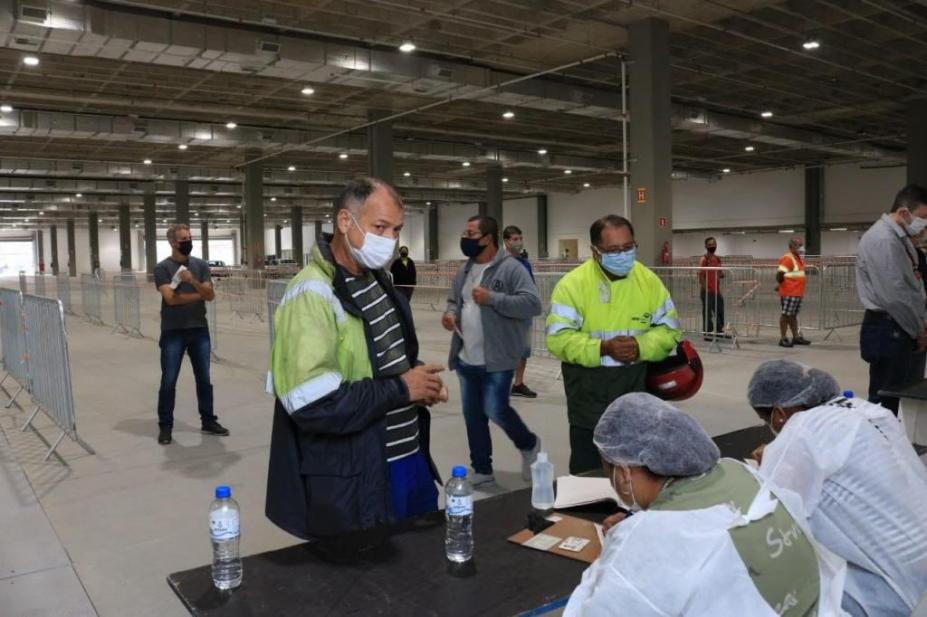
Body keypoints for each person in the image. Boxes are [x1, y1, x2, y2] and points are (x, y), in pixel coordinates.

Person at [265, 178, 447, 540]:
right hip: (359, 474)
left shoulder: (379, 280)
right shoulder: (312, 293)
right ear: (345, 222)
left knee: (423, 573)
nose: (390, 239)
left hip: (409, 457)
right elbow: (313, 403)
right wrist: (401, 389)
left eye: (396, 229)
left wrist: (419, 382)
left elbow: (380, 358)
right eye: (380, 227)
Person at [565, 392, 847, 617]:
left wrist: (617, 549)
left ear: (625, 474)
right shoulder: (739, 471)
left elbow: (599, 607)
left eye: (609, 470)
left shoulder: (647, 539)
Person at [747, 359, 927, 616]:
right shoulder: (866, 409)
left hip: (897, 591)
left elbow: (771, 507)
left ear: (779, 414)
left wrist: (774, 459)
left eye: (765, 419)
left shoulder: (803, 429)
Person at [545, 215, 682, 474]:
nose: (623, 254)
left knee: (639, 467)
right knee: (590, 471)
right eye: (613, 250)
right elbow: (557, 338)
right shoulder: (572, 286)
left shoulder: (648, 281)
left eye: (628, 247)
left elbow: (669, 330)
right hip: (589, 391)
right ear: (595, 251)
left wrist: (641, 345)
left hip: (638, 387)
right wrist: (603, 348)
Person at [442, 215, 542, 488]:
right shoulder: (465, 270)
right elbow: (454, 301)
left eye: (471, 233)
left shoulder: (511, 269)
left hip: (496, 359)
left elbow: (532, 304)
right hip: (466, 357)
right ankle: (482, 468)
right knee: (473, 416)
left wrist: (493, 299)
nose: (466, 238)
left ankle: (529, 444)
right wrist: (451, 315)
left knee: (495, 408)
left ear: (488, 238)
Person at [153, 224, 228, 445]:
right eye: (184, 238)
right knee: (168, 381)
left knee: (204, 379)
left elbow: (211, 295)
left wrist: (192, 281)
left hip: (199, 330)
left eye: (189, 237)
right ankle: (165, 426)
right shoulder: (162, 268)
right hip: (173, 331)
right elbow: (170, 299)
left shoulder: (200, 265)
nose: (188, 241)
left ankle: (208, 420)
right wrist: (200, 295)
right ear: (173, 242)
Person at [856, 184, 927, 413]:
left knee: (903, 396)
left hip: (902, 326)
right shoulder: (883, 240)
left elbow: (912, 284)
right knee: (886, 401)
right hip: (889, 328)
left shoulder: (901, 238)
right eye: (923, 217)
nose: (925, 224)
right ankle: (880, 445)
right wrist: (918, 330)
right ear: (904, 212)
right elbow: (895, 296)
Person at [502, 225, 537, 399]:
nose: (518, 242)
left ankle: (518, 383)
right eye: (514, 239)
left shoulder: (524, 263)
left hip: (523, 314)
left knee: (523, 351)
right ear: (506, 241)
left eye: (520, 238)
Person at [777, 236, 811, 348]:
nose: (802, 247)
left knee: (793, 316)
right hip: (789, 292)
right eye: (799, 245)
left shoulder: (798, 258)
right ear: (791, 246)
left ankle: (796, 337)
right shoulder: (788, 258)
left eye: (802, 244)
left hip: (797, 292)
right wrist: (782, 286)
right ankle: (783, 338)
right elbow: (779, 275)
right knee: (786, 315)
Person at [698, 236, 725, 340]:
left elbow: (719, 272)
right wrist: (706, 288)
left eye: (713, 244)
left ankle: (719, 330)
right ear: (705, 246)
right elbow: (700, 276)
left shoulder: (717, 258)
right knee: (707, 313)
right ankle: (707, 332)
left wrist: (721, 274)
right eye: (709, 245)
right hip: (707, 291)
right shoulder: (704, 259)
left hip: (717, 291)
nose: (712, 246)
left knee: (720, 310)